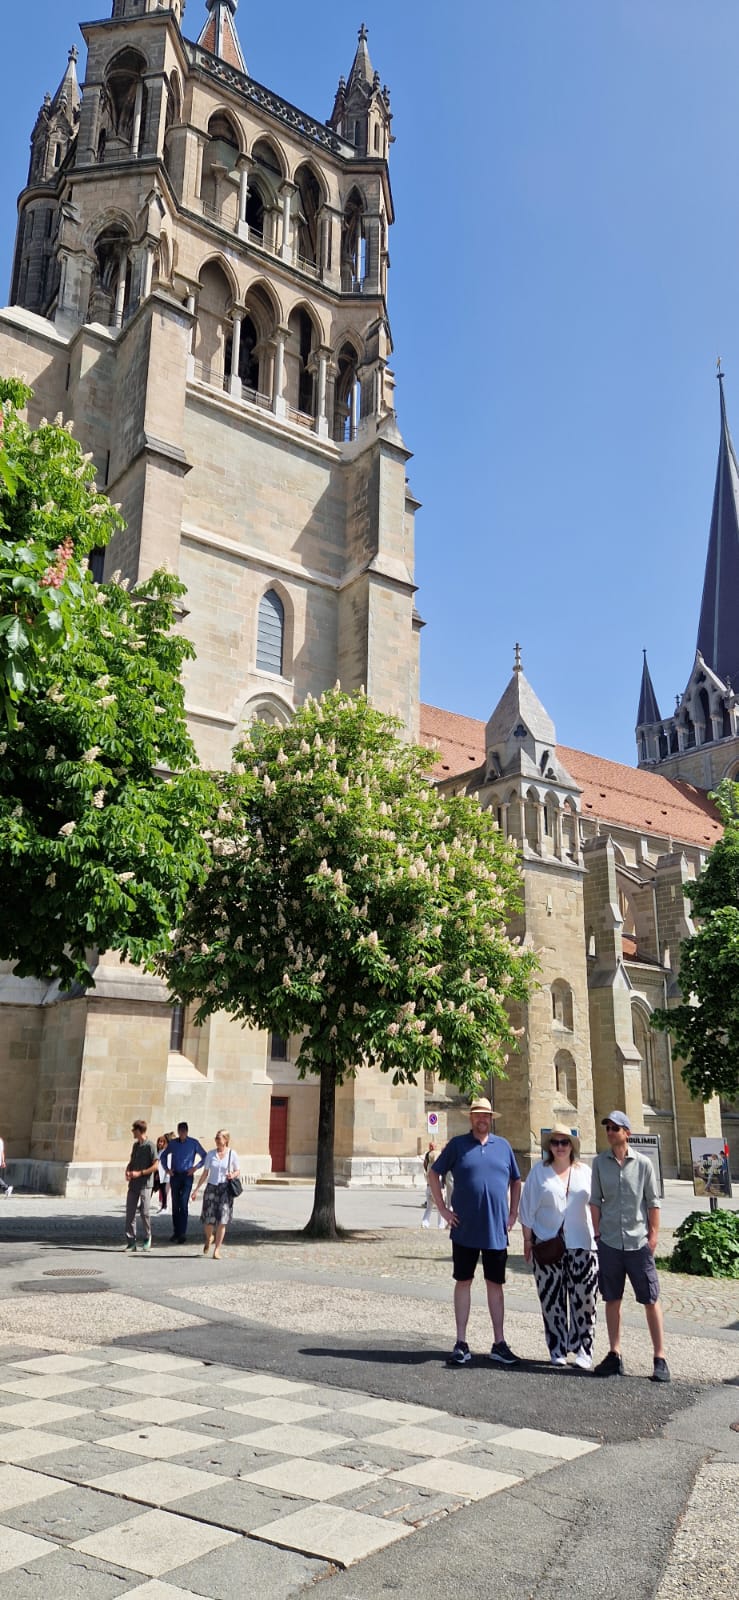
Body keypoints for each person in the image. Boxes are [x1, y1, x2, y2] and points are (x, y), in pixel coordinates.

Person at [427, 1096, 521, 1366]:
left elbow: (516, 1181)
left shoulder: (503, 1146)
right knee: (463, 1281)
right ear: (471, 1118)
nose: (482, 1119)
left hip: (495, 1229)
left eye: (486, 1115)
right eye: (478, 1115)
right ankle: (461, 1341)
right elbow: (434, 1173)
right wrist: (443, 1209)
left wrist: (513, 1213)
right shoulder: (458, 1145)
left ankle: (499, 1343)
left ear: (491, 1119)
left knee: (496, 1285)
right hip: (465, 1228)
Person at [590, 1110, 670, 1382]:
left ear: (627, 1132)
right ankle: (615, 1355)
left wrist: (653, 1237)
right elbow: (595, 1201)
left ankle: (660, 1358)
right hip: (610, 1242)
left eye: (615, 1128)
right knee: (612, 1299)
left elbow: (653, 1202)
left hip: (638, 1242)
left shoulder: (644, 1164)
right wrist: (598, 1235)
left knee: (650, 1299)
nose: (610, 1132)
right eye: (608, 1128)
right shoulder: (599, 1163)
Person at [519, 1123, 598, 1368]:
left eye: (564, 1143)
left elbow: (596, 1206)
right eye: (555, 1143)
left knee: (585, 1299)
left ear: (572, 1146)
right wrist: (527, 1241)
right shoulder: (539, 1173)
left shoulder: (585, 1171)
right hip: (548, 1242)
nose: (560, 1147)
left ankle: (584, 1350)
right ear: (549, 1147)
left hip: (583, 1243)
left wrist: (601, 1237)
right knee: (551, 1299)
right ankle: (557, 1349)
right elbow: (527, 1209)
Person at [192, 1129, 241, 1258]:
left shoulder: (232, 1154)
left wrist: (232, 1175)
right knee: (208, 1221)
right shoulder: (210, 1154)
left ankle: (217, 1250)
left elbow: (238, 1171)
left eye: (219, 1138)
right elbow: (205, 1173)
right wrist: (196, 1189)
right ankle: (209, 1238)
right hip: (211, 1188)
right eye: (216, 1138)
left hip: (225, 1189)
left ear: (226, 1140)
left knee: (222, 1220)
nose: (217, 1140)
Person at [162, 1121, 207, 1244]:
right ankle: (176, 1232)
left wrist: (196, 1167)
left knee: (183, 1202)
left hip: (187, 1175)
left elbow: (205, 1156)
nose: (182, 1133)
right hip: (175, 1175)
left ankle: (182, 1233)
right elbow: (163, 1155)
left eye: (184, 1131)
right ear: (178, 1131)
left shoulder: (193, 1143)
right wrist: (167, 1169)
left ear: (187, 1132)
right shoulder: (173, 1144)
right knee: (175, 1204)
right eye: (180, 1131)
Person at [124, 1119, 158, 1252]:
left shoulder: (151, 1146)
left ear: (139, 1131)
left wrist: (141, 1173)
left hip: (145, 1184)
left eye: (133, 1130)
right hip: (133, 1184)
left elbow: (156, 1165)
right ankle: (131, 1242)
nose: (132, 1132)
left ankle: (147, 1237)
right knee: (130, 1213)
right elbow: (131, 1161)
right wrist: (128, 1170)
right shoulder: (135, 1145)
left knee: (144, 1212)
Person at [421, 1140, 447, 1229]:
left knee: (429, 1207)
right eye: (430, 1146)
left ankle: (425, 1223)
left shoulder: (429, 1166)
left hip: (429, 1187)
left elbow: (425, 1165)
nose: (431, 1148)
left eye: (432, 1146)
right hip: (436, 1188)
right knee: (440, 1208)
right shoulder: (437, 1168)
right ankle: (441, 1225)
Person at [155, 1133, 173, 1212]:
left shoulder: (166, 1152)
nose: (160, 1143)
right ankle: (163, 1205)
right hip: (160, 1173)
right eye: (159, 1141)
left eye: (162, 1141)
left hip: (166, 1173)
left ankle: (165, 1206)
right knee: (163, 1190)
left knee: (166, 1191)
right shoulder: (160, 1152)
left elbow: (167, 1163)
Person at [0, 1132, 13, 1197]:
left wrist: (3, 1161)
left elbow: (2, 1152)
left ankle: (6, 1188)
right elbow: (2, 1152)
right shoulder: (1, 1141)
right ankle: (6, 1188)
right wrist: (2, 1161)